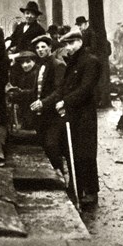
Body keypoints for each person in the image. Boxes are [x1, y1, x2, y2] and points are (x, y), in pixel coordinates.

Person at [31, 29, 100, 206]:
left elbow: (85, 89)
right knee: (73, 151)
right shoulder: (72, 62)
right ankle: (78, 187)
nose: (68, 48)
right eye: (66, 44)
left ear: (80, 42)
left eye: (71, 43)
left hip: (85, 115)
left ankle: (91, 192)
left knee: (86, 152)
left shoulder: (91, 62)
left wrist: (65, 102)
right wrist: (56, 100)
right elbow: (62, 87)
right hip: (71, 114)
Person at [28, 34, 67, 172]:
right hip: (41, 114)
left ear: (50, 48)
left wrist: (43, 103)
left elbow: (59, 91)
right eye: (37, 47)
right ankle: (56, 173)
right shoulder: (39, 66)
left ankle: (61, 172)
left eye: (43, 47)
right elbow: (37, 90)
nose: (40, 50)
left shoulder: (58, 65)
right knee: (43, 144)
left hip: (54, 114)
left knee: (52, 144)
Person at [6, 51, 39, 130]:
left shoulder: (37, 73)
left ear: (34, 61)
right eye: (22, 63)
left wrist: (20, 92)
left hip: (34, 108)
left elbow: (35, 91)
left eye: (28, 62)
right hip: (25, 108)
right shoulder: (24, 74)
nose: (25, 65)